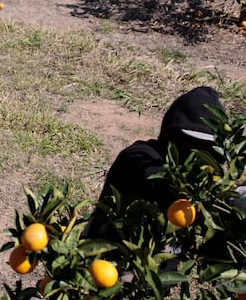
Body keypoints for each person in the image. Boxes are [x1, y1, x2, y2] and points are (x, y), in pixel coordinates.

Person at [86, 85, 224, 240]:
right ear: (171, 135)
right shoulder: (141, 155)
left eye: (206, 146)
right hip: (108, 251)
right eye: (191, 142)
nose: (197, 152)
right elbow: (146, 171)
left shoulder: (207, 181)